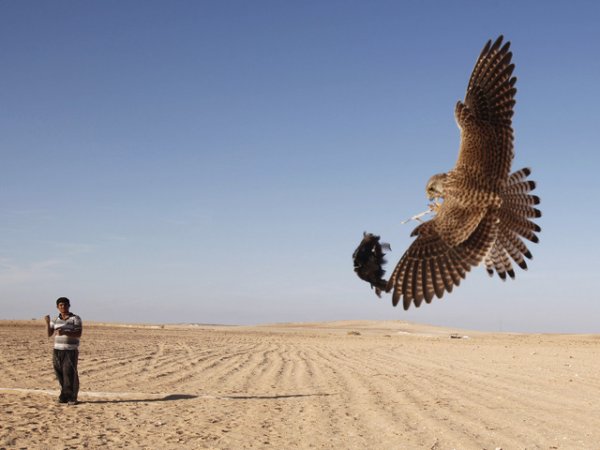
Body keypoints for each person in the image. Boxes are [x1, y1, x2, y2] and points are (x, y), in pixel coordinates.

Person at [44, 297, 83, 405]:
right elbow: (49, 334)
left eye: (65, 305)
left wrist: (65, 332)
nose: (63, 307)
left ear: (69, 306)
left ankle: (72, 397)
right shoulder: (55, 319)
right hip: (57, 350)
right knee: (59, 373)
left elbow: (78, 334)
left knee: (69, 373)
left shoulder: (76, 318)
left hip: (70, 350)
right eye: (61, 305)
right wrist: (47, 323)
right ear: (57, 307)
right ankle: (64, 396)